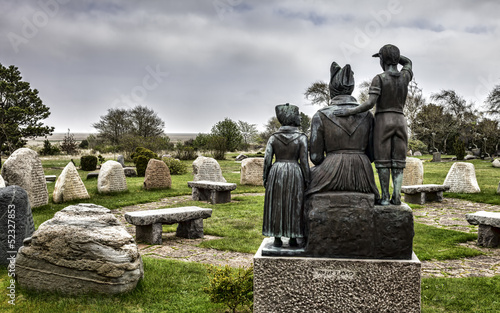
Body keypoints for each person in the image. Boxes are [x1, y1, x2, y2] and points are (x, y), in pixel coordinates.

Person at [333, 44, 413, 205]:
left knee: (383, 162)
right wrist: (395, 57)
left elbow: (370, 103)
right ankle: (396, 197)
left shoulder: (380, 78)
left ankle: (385, 197)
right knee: (398, 162)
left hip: (384, 121)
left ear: (382, 60)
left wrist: (349, 112)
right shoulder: (405, 77)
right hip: (400, 121)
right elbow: (408, 62)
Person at [306, 62, 380, 201]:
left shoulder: (320, 115)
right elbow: (371, 155)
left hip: (330, 172)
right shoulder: (368, 115)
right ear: (351, 88)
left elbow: (316, 158)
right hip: (362, 174)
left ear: (331, 88)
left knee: (304, 182)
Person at [262, 103, 310, 248]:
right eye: (297, 114)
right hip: (295, 171)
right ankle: (293, 238)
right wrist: (307, 179)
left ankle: (276, 237)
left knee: (277, 204)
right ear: (291, 117)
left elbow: (267, 160)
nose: (299, 117)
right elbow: (304, 162)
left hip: (276, 172)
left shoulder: (273, 138)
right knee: (295, 203)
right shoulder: (301, 137)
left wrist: (265, 177)